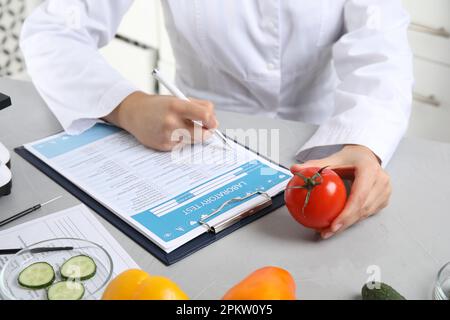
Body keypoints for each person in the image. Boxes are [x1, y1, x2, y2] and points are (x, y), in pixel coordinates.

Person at [20, 0, 413, 239]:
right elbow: (53, 31)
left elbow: (383, 50)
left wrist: (364, 142)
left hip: (324, 145)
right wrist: (127, 106)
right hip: (195, 137)